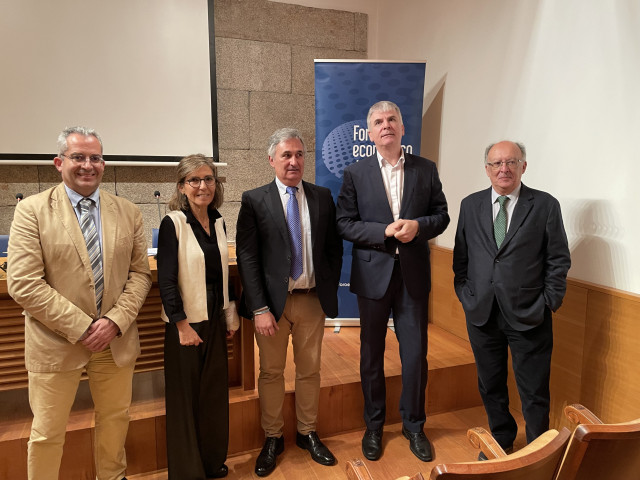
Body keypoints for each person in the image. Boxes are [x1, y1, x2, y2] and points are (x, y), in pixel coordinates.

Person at [7, 126, 152, 480]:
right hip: (56, 342)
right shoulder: (32, 211)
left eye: (96, 157)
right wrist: (84, 327)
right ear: (59, 162)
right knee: (47, 434)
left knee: (115, 421)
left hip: (114, 341)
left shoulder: (128, 212)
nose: (88, 165)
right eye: (78, 157)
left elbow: (140, 275)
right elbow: (23, 283)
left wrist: (114, 322)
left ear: (104, 164)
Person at [336, 101, 449, 463]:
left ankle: (414, 425)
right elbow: (344, 223)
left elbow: (441, 215)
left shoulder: (426, 170)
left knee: (415, 355)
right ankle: (374, 425)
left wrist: (419, 227)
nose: (386, 125)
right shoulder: (355, 172)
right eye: (378, 121)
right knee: (371, 355)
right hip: (373, 275)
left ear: (402, 128)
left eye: (392, 120)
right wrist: (382, 231)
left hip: (413, 276)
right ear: (369, 133)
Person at [453, 141, 571, 458]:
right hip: (481, 313)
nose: (503, 168)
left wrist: (549, 300)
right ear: (487, 169)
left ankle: (537, 452)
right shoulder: (470, 204)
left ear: (523, 166)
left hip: (530, 313)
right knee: (490, 384)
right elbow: (461, 258)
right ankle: (502, 439)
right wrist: (466, 294)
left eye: (511, 162)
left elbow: (558, 259)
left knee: (533, 391)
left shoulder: (544, 205)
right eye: (496, 163)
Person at [236, 127, 342, 477]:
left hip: (312, 301)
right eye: (286, 155)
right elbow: (247, 258)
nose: (294, 161)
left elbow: (333, 250)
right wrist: (259, 308)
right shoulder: (255, 199)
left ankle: (307, 432)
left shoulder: (323, 196)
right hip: (272, 307)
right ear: (272, 160)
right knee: (271, 373)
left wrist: (327, 290)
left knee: (310, 371)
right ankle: (272, 437)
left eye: (299, 154)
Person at [157, 154, 240, 479]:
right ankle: (188, 472)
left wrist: (229, 317)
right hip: (185, 326)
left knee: (212, 396)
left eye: (208, 179)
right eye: (194, 180)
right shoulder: (173, 223)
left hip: (216, 321)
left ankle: (210, 461)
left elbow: (223, 273)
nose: (203, 186)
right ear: (181, 186)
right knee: (185, 403)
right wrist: (181, 324)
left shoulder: (218, 220)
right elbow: (166, 280)